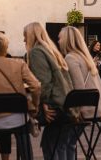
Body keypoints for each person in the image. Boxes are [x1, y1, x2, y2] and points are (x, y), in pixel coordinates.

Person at [0, 31, 41, 160]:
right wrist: (35, 105)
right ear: (6, 46)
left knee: (2, 123)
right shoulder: (19, 64)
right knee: (16, 122)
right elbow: (36, 86)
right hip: (19, 118)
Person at [24, 22, 74, 159]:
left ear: (31, 35)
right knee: (59, 144)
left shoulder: (36, 52)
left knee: (49, 145)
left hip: (54, 104)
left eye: (25, 35)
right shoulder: (51, 50)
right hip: (66, 103)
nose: (23, 39)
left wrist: (44, 103)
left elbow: (43, 82)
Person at [58, 26, 101, 120]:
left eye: (60, 38)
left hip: (84, 111)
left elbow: (79, 89)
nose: (58, 41)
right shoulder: (85, 57)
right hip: (97, 108)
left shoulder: (71, 58)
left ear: (66, 40)